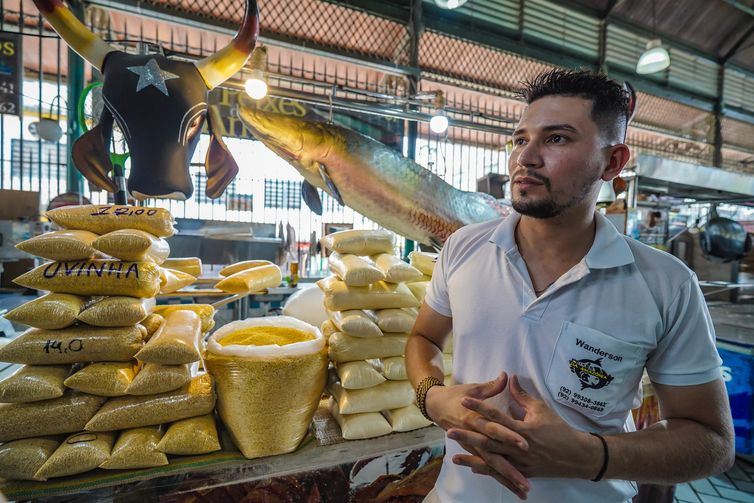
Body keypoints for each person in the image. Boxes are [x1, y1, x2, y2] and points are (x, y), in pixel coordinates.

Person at [406, 69, 734, 503]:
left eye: (556, 139)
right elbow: (424, 337)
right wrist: (432, 398)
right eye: (520, 139)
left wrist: (587, 455)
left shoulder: (666, 285)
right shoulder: (465, 248)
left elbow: (712, 443)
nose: (526, 157)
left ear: (613, 162)